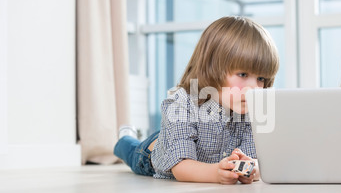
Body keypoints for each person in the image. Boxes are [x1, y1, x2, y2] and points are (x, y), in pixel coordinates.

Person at [114, 16, 280, 184]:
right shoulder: (182, 103)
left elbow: (254, 161)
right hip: (151, 154)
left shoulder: (252, 109)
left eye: (261, 78)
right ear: (212, 69)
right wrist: (216, 173)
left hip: (187, 138)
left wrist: (250, 170)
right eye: (243, 74)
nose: (254, 88)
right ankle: (126, 135)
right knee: (129, 149)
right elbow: (180, 168)